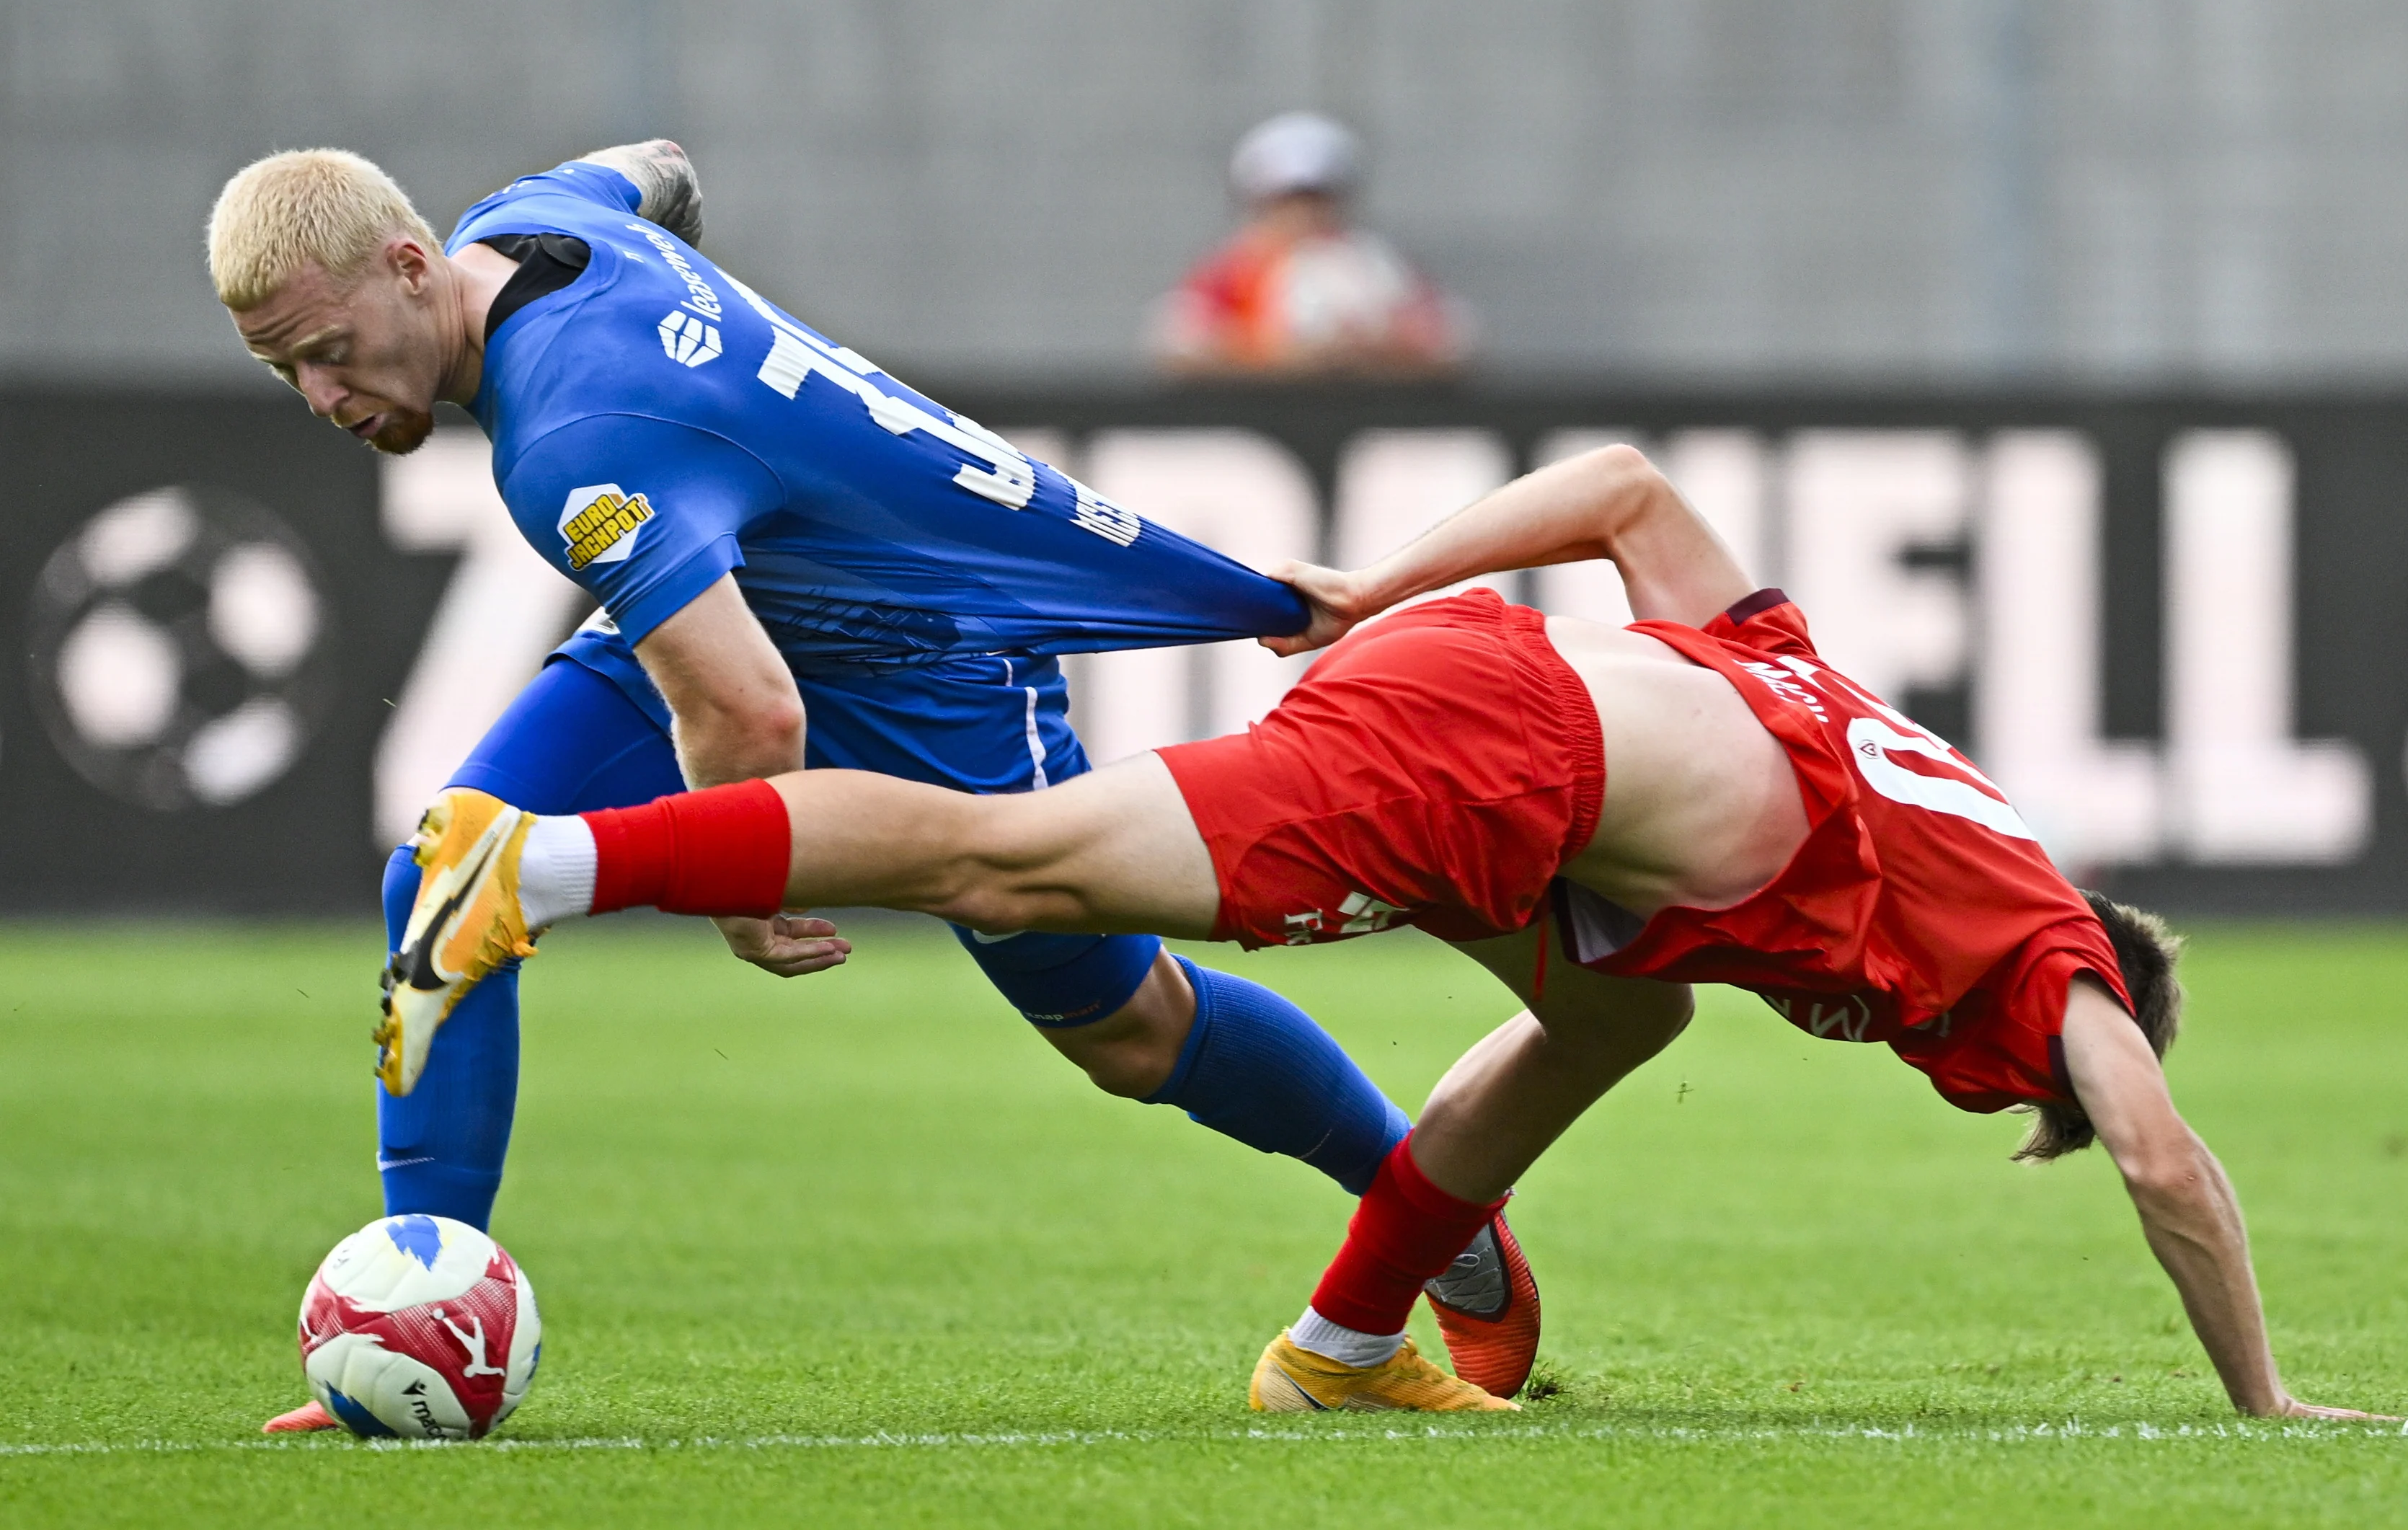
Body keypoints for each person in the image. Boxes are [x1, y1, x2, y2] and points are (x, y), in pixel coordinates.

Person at [392, 441, 2394, 1422]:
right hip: (1485, 757)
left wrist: (1374, 585)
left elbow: (1621, 490)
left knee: (1616, 1013)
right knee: (1023, 865)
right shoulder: (2039, 951)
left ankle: (1346, 1343)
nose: (2020, 1102)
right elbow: (2160, 1155)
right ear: (2088, 987)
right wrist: (2264, 1402)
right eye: (2024, 1094)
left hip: (1507, 710)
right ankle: (547, 873)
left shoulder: (1835, 713)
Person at [205, 141, 1539, 1431]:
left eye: (331, 351)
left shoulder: (576, 431)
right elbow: (653, 161)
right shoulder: (543, 213)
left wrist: (741, 886)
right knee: (445, 872)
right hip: (738, 599)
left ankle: (1435, 1214)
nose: (323, 396)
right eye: (286, 372)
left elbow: (745, 708)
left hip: (927, 659)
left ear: (408, 262)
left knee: (1125, 1028)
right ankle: (420, 1305)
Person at [1148, 112, 1466, 379]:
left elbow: (1451, 347)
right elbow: (1176, 348)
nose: (1303, 215)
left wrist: (1370, 353)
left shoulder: (1375, 266)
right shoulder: (1233, 268)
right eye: (1286, 201)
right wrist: (1274, 356)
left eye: (1317, 199)